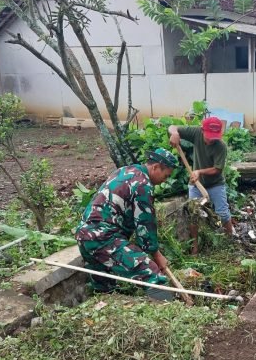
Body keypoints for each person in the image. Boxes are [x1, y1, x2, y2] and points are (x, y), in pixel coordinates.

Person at [75, 148, 178, 299]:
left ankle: (105, 302)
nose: (165, 180)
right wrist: (157, 255)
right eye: (166, 175)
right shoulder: (143, 184)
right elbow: (145, 225)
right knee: (150, 273)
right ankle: (167, 306)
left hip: (84, 235)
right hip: (103, 237)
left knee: (104, 286)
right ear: (155, 167)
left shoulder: (124, 171)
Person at [168, 116, 233, 254]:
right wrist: (174, 133)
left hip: (216, 184)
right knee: (194, 214)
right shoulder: (196, 133)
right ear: (202, 130)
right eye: (209, 136)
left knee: (223, 214)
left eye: (214, 137)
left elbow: (217, 169)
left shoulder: (220, 146)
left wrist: (199, 172)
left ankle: (230, 242)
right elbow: (173, 127)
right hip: (196, 185)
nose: (211, 140)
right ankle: (195, 247)